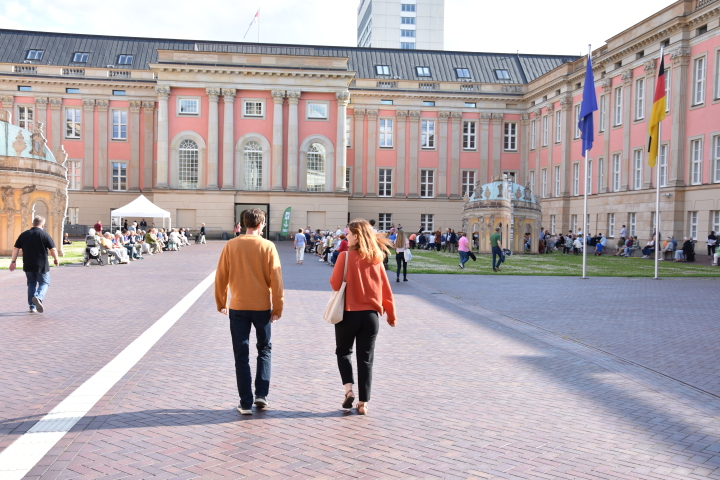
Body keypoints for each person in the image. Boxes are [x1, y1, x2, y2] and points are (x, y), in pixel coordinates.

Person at [215, 208, 284, 415]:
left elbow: (221, 276)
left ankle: (245, 402)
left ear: (244, 223)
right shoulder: (268, 246)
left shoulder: (231, 245)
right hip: (262, 306)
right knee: (264, 350)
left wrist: (221, 302)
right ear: (262, 224)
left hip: (238, 306)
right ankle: (261, 395)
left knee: (241, 355)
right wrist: (277, 306)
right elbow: (276, 279)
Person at [330, 219, 396, 415]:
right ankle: (363, 402)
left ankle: (349, 390)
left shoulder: (344, 257)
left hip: (347, 314)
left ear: (356, 236)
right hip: (370, 316)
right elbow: (386, 289)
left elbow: (335, 284)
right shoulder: (377, 258)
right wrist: (391, 314)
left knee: (343, 352)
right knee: (366, 359)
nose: (346, 237)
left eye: (348, 234)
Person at [9, 216, 59, 313]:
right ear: (42, 225)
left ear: (33, 224)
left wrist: (13, 262)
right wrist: (56, 259)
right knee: (44, 283)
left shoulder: (24, 235)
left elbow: (16, 249)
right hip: (42, 265)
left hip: (28, 264)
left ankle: (32, 307)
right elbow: (52, 249)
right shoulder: (44, 235)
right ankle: (38, 297)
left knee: (31, 284)